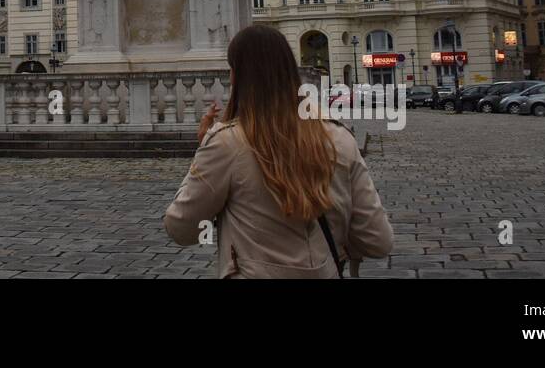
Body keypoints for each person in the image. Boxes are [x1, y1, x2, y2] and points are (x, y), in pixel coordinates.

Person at [164, 25, 394, 278]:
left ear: (237, 76)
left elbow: (181, 228)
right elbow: (377, 241)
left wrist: (204, 148)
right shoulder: (340, 138)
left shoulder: (226, 144)